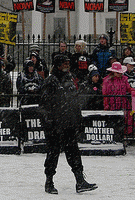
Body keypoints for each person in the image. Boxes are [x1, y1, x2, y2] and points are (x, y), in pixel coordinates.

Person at [39, 54, 97, 194]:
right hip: (55, 124)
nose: (67, 66)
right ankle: (49, 182)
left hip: (69, 123)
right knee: (53, 153)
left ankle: (80, 181)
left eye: (68, 63)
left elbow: (74, 102)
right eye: (64, 63)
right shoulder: (50, 81)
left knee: (73, 152)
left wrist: (78, 119)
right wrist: (48, 122)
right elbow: (44, 105)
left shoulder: (69, 79)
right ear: (58, 65)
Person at [102, 62, 135, 135]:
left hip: (123, 103)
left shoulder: (124, 79)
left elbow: (128, 88)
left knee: (127, 119)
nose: (120, 74)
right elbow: (105, 94)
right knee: (114, 121)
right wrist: (106, 105)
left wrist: (132, 91)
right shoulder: (107, 81)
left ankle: (125, 136)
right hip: (112, 104)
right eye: (118, 72)